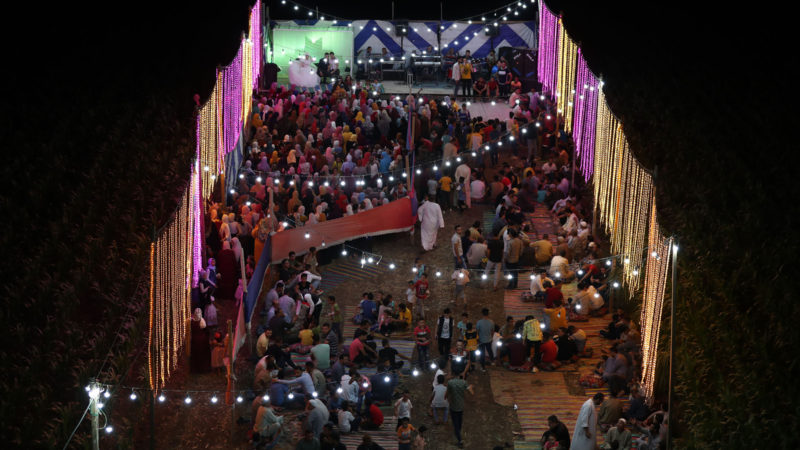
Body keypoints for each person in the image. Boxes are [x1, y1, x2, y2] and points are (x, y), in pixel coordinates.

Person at [445, 373, 474, 448]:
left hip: (453, 407)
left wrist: (446, 398)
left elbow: (446, 395)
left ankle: (460, 440)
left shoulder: (450, 382)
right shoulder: (464, 382)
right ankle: (458, 433)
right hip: (461, 407)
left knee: (455, 424)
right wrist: (470, 387)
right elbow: (472, 393)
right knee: (459, 421)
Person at [190, 308, 211, 373]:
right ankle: (202, 369)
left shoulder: (192, 322)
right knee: (202, 355)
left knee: (196, 355)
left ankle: (196, 369)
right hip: (202, 341)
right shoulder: (202, 321)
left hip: (195, 341)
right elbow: (207, 331)